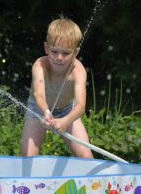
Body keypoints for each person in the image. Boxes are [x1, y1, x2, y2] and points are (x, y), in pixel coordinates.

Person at [20, 16, 93, 159]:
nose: (59, 57)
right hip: (38, 110)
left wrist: (65, 121)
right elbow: (38, 94)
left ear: (76, 52)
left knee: (86, 156)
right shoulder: (40, 65)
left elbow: (80, 106)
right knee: (27, 156)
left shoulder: (78, 71)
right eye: (54, 51)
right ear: (46, 48)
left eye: (66, 53)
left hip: (67, 111)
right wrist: (46, 112)